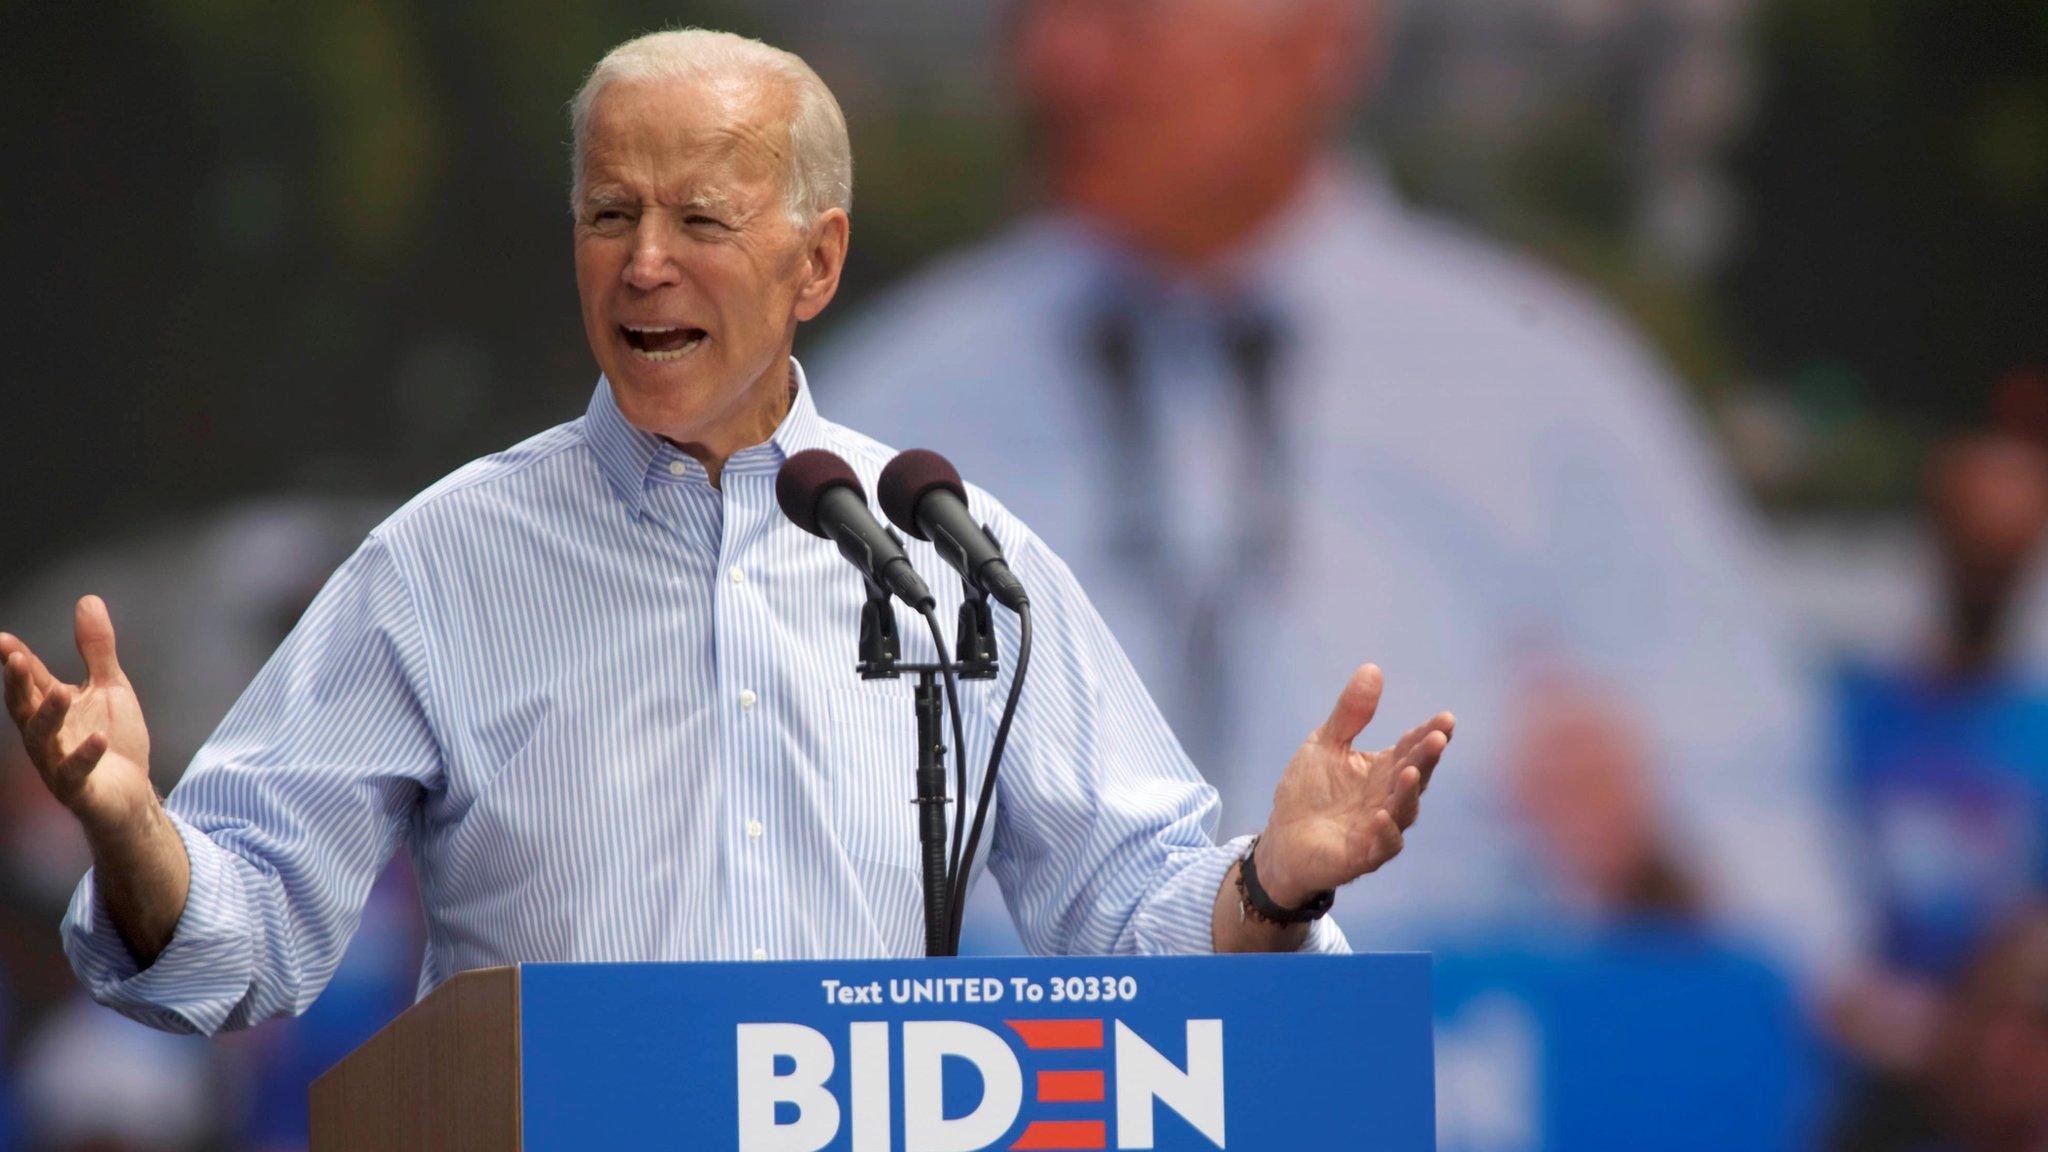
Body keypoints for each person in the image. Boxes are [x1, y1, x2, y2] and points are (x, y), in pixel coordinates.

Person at [0, 28, 1458, 1038]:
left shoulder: (950, 549)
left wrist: (1275, 878)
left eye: (700, 217)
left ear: (814, 260)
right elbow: (239, 939)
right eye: (606, 214)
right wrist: (135, 832)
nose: (643, 265)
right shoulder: (445, 560)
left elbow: (1130, 914)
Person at [815, 0, 1860, 984]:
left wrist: (1654, 873)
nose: (1053, 63)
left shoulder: (1551, 400)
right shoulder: (885, 406)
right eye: (1033, 15)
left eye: (1122, 18)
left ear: (1323, 38)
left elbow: (1795, 920)